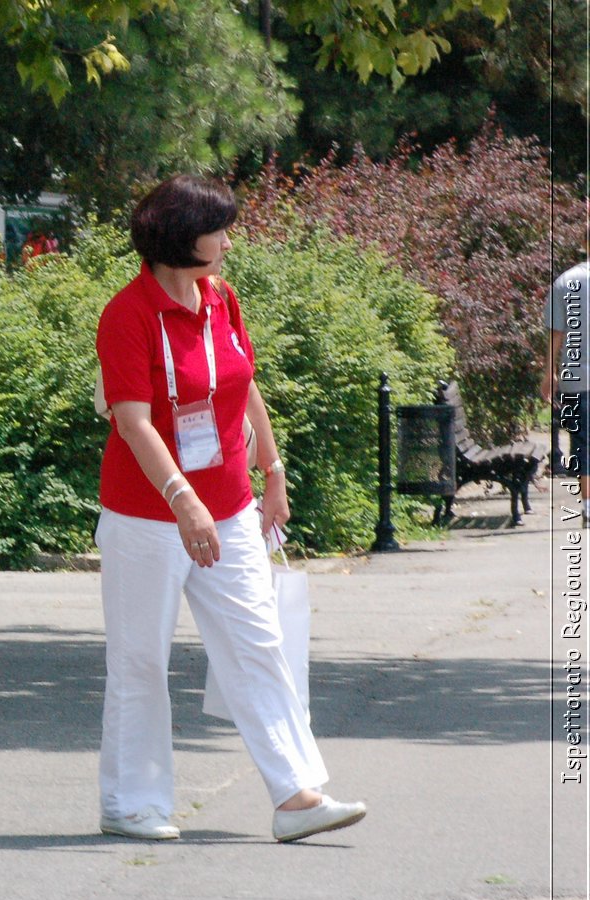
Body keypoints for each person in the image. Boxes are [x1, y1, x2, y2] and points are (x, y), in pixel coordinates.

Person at [93, 174, 366, 844]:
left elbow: (244, 386)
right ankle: (133, 802)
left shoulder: (221, 299)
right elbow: (132, 421)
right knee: (140, 659)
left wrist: (272, 471)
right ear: (182, 240)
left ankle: (296, 795)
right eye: (218, 228)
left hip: (231, 506)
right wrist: (182, 501)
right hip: (147, 514)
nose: (228, 239)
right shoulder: (127, 314)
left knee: (257, 642)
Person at [545, 240, 589, 522]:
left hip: (575, 377)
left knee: (583, 442)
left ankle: (587, 506)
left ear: (585, 243)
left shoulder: (565, 282)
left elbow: (556, 334)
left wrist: (549, 372)